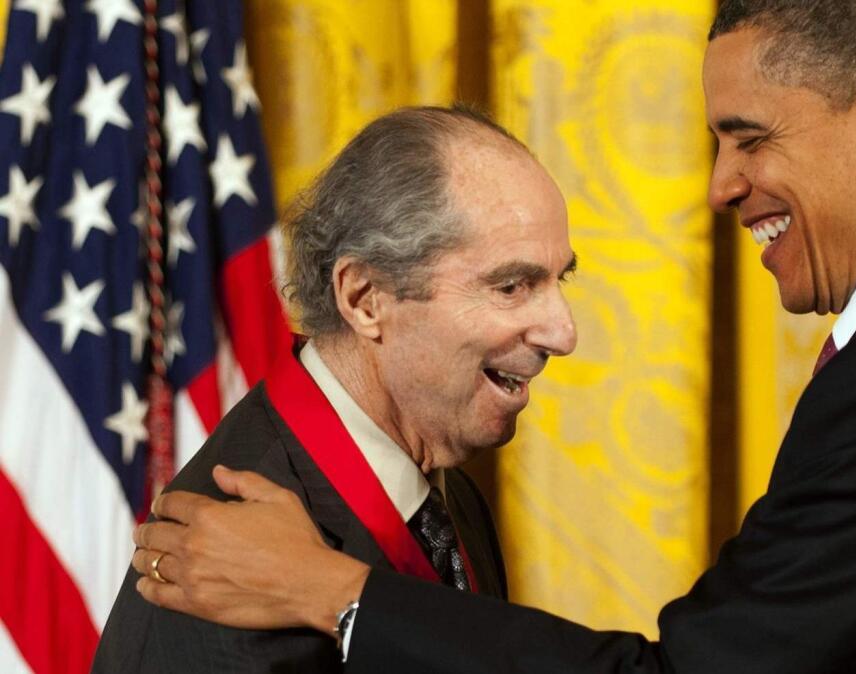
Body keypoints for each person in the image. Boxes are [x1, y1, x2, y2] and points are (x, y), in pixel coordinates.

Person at [127, 1, 856, 671]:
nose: (720, 186)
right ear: (364, 298)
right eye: (511, 281)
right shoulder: (218, 549)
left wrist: (338, 594)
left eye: (751, 135)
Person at [91, 106, 578, 672]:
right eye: (512, 286)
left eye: (558, 278)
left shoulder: (452, 500)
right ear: (365, 298)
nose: (563, 333)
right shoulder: (224, 564)